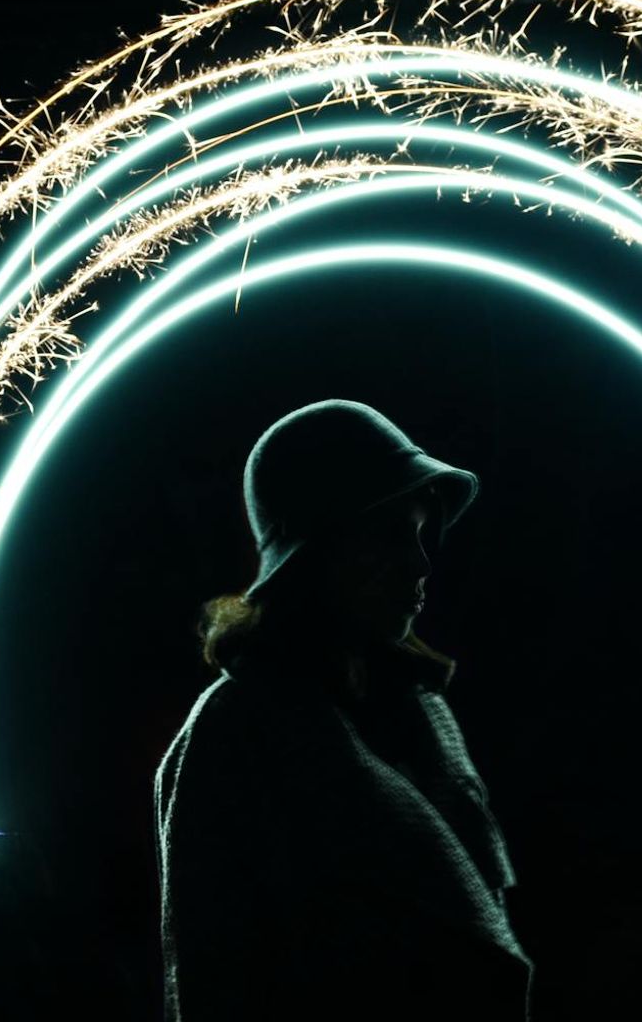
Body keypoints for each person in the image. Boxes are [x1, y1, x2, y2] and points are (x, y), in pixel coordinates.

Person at [154, 399, 533, 1021]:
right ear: (316, 554)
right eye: (388, 534)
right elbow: (212, 975)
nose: (420, 563)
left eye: (420, 534)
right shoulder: (234, 732)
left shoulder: (422, 713)